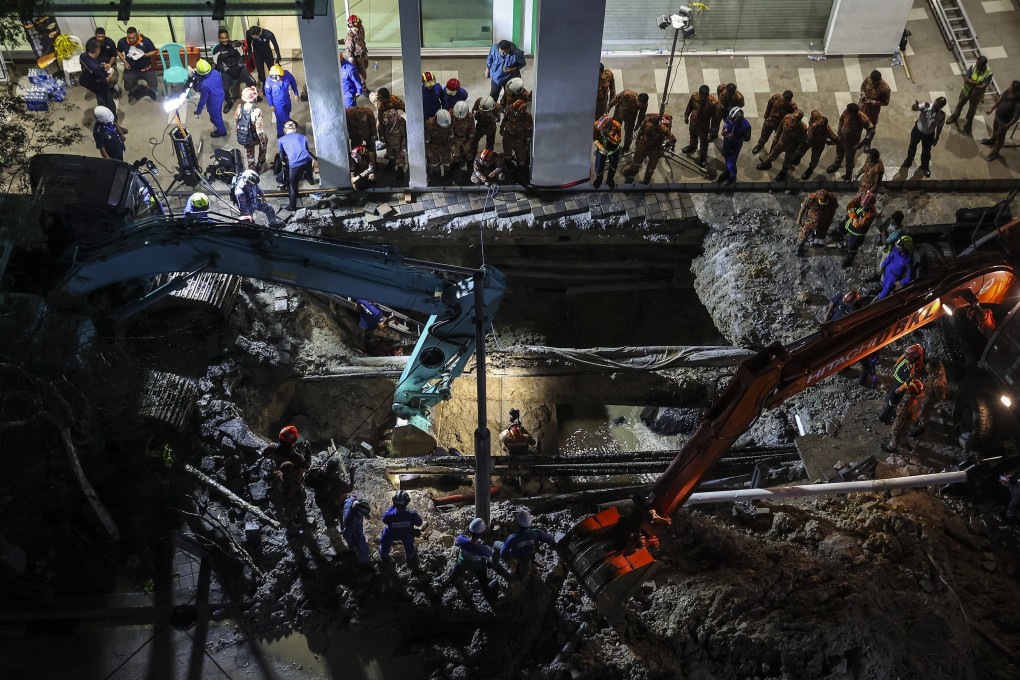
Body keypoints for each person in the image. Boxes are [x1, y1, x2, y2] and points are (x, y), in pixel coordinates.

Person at [438, 517, 498, 597]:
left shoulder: (461, 539)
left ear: (470, 530)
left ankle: (452, 576)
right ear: (482, 533)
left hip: (463, 562)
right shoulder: (483, 549)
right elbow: (490, 555)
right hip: (477, 567)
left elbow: (457, 542)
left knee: (457, 566)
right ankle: (486, 590)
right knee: (482, 576)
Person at [493, 510, 555, 583]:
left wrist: (510, 560)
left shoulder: (512, 538)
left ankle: (495, 564)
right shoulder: (536, 533)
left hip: (515, 556)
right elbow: (550, 539)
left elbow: (503, 553)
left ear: (517, 523)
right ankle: (531, 566)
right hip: (528, 555)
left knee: (496, 543)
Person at [80, 39, 124, 134]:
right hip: (98, 86)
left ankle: (102, 109)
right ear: (97, 51)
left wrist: (102, 65)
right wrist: (110, 75)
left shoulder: (83, 56)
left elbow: (93, 66)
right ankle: (114, 127)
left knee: (101, 101)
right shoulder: (96, 69)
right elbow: (104, 81)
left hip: (86, 80)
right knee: (110, 106)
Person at [622, 113, 676, 185]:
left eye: (651, 126)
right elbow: (641, 130)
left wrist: (666, 146)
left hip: (655, 149)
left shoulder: (662, 129)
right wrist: (638, 140)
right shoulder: (646, 121)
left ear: (656, 125)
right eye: (648, 125)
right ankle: (633, 170)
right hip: (643, 144)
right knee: (637, 159)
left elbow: (673, 139)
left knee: (651, 165)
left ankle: (647, 178)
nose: (649, 127)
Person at [878, 343, 925, 424]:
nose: (906, 357)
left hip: (901, 382)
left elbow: (908, 381)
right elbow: (903, 356)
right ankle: (889, 403)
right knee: (893, 394)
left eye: (908, 357)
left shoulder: (915, 368)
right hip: (899, 376)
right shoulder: (910, 355)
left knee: (894, 398)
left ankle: (886, 415)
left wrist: (900, 389)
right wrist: (896, 364)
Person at [827, 102, 875, 182]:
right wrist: (839, 134)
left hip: (852, 142)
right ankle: (836, 165)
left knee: (849, 159)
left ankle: (848, 174)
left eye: (850, 113)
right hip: (842, 138)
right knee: (839, 153)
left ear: (855, 113)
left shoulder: (863, 118)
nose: (848, 114)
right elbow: (841, 120)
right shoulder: (847, 111)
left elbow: (871, 131)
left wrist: (861, 143)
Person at [212, 29, 257, 112]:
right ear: (219, 38)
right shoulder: (217, 50)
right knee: (224, 89)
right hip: (227, 72)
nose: (225, 40)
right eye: (222, 38)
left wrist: (240, 64)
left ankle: (252, 96)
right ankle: (229, 102)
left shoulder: (234, 44)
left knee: (252, 82)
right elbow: (217, 64)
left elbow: (241, 56)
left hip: (238, 68)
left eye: (226, 37)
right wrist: (227, 70)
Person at [945, 55, 992, 134]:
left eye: (978, 64)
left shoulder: (988, 74)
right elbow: (966, 79)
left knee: (972, 110)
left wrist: (972, 82)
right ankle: (955, 116)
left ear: (983, 65)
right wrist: (977, 83)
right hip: (966, 91)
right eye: (977, 62)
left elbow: (983, 86)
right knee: (960, 104)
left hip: (976, 95)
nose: (976, 64)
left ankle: (969, 123)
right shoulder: (973, 67)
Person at [304, 456, 354, 529]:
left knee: (326, 514)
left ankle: (328, 523)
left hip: (320, 501)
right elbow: (350, 489)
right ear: (336, 469)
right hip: (331, 503)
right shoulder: (337, 482)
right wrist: (352, 474)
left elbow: (307, 480)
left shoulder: (319, 474)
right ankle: (339, 521)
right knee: (342, 506)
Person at [380, 490, 424, 569]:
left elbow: (384, 520)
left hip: (392, 534)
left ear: (394, 501)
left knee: (385, 534)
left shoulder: (389, 515)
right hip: (406, 535)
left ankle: (384, 554)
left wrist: (392, 507)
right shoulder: (412, 514)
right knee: (409, 543)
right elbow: (419, 523)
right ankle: (410, 558)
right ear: (407, 502)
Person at [757, 109, 805, 181]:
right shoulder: (787, 118)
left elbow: (802, 141)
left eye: (797, 118)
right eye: (794, 116)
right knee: (772, 154)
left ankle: (783, 172)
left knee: (787, 161)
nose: (794, 119)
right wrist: (776, 136)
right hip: (781, 142)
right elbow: (780, 127)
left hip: (791, 147)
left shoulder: (802, 128)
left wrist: (797, 151)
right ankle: (767, 164)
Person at [278, 120, 316, 212]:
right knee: (308, 170)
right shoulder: (302, 137)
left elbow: (282, 155)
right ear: (294, 129)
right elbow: (306, 149)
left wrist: (284, 162)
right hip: (307, 159)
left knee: (293, 186)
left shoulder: (281, 140)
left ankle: (292, 206)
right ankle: (310, 180)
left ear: (284, 130)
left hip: (295, 164)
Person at [904, 97, 946, 177]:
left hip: (929, 135)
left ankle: (925, 166)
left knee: (926, 152)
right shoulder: (926, 105)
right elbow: (916, 108)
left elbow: (940, 127)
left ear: (941, 107)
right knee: (912, 146)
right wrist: (915, 106)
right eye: (936, 103)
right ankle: (909, 160)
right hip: (918, 130)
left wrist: (937, 137)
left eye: (939, 105)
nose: (936, 106)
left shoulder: (941, 115)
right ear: (935, 101)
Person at [115, 27, 158, 103]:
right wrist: (125, 62)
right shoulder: (122, 41)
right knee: (127, 87)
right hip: (131, 69)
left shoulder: (146, 41)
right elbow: (118, 51)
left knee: (154, 84)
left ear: (137, 35)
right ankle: (137, 89)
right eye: (129, 38)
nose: (131, 40)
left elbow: (154, 51)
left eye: (133, 38)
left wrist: (144, 55)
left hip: (146, 68)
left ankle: (145, 90)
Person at [881, 378, 924, 453]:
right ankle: (904, 441)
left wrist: (895, 428)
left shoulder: (906, 405)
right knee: (905, 432)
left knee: (896, 435)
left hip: (903, 422)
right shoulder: (921, 396)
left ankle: (892, 447)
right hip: (911, 420)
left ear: (910, 391)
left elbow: (899, 422)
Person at [982, 80, 1020, 162]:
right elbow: (1000, 99)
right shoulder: (1008, 92)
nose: (1009, 87)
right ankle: (992, 140)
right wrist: (991, 109)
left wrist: (1007, 126)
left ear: (1015, 91)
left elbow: (1015, 118)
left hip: (1004, 123)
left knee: (1000, 137)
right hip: (997, 117)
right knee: (995, 129)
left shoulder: (1018, 103)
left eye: (1011, 87)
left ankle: (995, 152)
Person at [682, 85, 719, 169]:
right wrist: (686, 116)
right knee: (693, 136)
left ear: (707, 95)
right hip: (693, 123)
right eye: (701, 96)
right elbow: (690, 106)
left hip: (703, 126)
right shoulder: (695, 97)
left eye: (705, 96)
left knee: (704, 142)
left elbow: (715, 118)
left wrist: (712, 130)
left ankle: (702, 157)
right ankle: (692, 147)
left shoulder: (712, 103)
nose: (702, 98)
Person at [795, 188, 838, 256]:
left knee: (821, 231)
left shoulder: (832, 199)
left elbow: (833, 210)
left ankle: (816, 241)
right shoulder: (811, 197)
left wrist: (830, 219)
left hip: (824, 220)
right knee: (804, 233)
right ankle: (799, 249)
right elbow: (803, 208)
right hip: (811, 219)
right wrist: (799, 219)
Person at [910, 359, 948, 437]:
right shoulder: (938, 365)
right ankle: (918, 420)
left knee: (923, 412)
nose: (926, 369)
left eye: (929, 369)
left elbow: (940, 396)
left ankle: (922, 426)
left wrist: (930, 400)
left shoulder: (939, 383)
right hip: (926, 392)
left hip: (930, 398)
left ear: (934, 370)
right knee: (918, 407)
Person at [752, 90, 797, 155]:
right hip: (770, 121)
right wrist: (766, 116)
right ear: (782, 96)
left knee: (777, 139)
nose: (783, 102)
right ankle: (760, 145)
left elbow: (794, 117)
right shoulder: (776, 98)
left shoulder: (792, 107)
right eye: (783, 99)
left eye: (786, 101)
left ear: (789, 100)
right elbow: (769, 105)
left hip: (780, 125)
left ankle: (772, 152)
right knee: (764, 134)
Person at [268, 461, 309, 532]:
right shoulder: (289, 480)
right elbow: (292, 490)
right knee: (291, 507)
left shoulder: (277, 473)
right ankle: (294, 520)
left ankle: (287, 516)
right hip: (289, 497)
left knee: (287, 507)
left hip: (281, 496)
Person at [841, 191, 879, 267]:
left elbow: (857, 224)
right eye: (862, 205)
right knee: (841, 228)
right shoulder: (860, 198)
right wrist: (853, 215)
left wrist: (852, 214)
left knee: (852, 247)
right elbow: (849, 206)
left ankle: (848, 261)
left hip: (857, 233)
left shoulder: (871, 214)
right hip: (848, 224)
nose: (863, 207)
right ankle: (840, 239)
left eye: (865, 206)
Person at [798, 109, 838, 181]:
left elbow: (836, 140)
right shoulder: (815, 116)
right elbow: (813, 112)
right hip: (809, 139)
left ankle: (810, 170)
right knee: (801, 149)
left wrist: (828, 142)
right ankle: (798, 158)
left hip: (818, 145)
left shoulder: (828, 132)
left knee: (814, 159)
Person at [192, 58, 228, 138]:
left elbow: (203, 100)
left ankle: (222, 131)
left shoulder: (204, 85)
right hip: (221, 96)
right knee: (218, 112)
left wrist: (198, 111)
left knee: (216, 117)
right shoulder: (215, 72)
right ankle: (215, 119)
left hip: (213, 103)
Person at [717, 107, 751, 187]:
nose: (731, 121)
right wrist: (724, 129)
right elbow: (726, 124)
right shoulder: (730, 118)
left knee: (731, 163)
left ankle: (732, 176)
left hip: (735, 145)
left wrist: (735, 137)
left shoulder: (746, 125)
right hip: (727, 141)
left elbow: (747, 138)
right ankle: (728, 171)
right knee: (726, 156)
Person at [235, 87, 268, 171]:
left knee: (249, 152)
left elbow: (235, 122)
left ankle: (252, 169)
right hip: (254, 135)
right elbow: (259, 129)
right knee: (264, 139)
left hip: (244, 136)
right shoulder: (257, 111)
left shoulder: (239, 107)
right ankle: (261, 160)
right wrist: (262, 140)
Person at [264, 64, 299, 137]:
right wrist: (271, 105)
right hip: (277, 104)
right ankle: (280, 134)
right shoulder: (269, 81)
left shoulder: (287, 74)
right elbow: (268, 94)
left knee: (287, 111)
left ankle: (287, 119)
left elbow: (293, 82)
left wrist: (296, 93)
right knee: (279, 119)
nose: (278, 80)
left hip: (286, 100)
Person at [876, 235, 914, 300]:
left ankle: (874, 303)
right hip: (887, 271)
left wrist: (901, 283)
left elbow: (909, 277)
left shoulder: (908, 260)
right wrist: (882, 266)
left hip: (893, 278)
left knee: (883, 295)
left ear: (906, 247)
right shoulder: (896, 249)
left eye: (900, 246)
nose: (897, 246)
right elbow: (889, 258)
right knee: (882, 286)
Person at [245, 25, 282, 89]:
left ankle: (273, 83)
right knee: (260, 72)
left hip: (267, 54)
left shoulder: (268, 34)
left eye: (254, 37)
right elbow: (248, 43)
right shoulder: (249, 33)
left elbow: (275, 45)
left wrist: (278, 56)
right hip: (257, 54)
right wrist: (250, 53)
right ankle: (264, 83)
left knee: (271, 69)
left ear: (259, 34)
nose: (253, 38)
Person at [592, 114, 623, 189]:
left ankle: (610, 180)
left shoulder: (617, 126)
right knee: (599, 167)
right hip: (601, 150)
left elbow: (618, 141)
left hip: (613, 150)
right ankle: (598, 180)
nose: (601, 130)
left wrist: (608, 136)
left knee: (613, 166)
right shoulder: (596, 125)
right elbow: (595, 138)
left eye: (603, 129)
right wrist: (601, 147)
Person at [858, 70, 891, 139]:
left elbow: (885, 102)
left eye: (873, 81)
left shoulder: (885, 89)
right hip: (862, 105)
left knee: (871, 126)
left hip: (872, 110)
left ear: (879, 80)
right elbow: (863, 86)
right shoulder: (869, 79)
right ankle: (857, 138)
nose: (871, 83)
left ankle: (867, 141)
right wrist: (863, 94)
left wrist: (872, 102)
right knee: (858, 121)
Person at [500, 99, 533, 169]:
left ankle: (521, 170)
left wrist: (527, 144)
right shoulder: (509, 110)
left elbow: (529, 132)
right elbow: (505, 120)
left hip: (519, 138)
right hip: (508, 136)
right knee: (507, 155)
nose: (514, 112)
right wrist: (502, 129)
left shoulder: (527, 117)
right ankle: (508, 166)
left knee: (522, 160)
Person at [342, 494, 372, 565]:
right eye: (363, 514)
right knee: (363, 548)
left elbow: (351, 497)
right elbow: (346, 533)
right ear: (358, 514)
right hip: (355, 534)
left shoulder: (352, 501)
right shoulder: (350, 520)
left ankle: (355, 554)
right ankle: (364, 563)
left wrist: (366, 514)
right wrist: (351, 545)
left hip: (355, 528)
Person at [346, 99, 379, 163]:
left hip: (365, 133)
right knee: (356, 149)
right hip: (356, 134)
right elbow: (348, 127)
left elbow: (372, 124)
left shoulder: (368, 112)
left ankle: (373, 161)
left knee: (371, 147)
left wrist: (374, 135)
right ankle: (358, 163)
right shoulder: (349, 115)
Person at [425, 109, 454, 178]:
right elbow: (427, 139)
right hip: (433, 146)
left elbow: (451, 135)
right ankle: (437, 173)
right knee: (434, 162)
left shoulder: (448, 121)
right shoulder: (429, 124)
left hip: (445, 145)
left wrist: (451, 146)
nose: (445, 127)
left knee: (447, 162)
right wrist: (428, 149)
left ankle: (447, 174)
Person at [380, 109, 408, 177]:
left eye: (390, 120)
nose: (388, 122)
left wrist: (403, 147)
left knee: (399, 158)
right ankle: (391, 163)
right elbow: (382, 128)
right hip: (389, 143)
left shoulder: (400, 122)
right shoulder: (385, 119)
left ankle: (400, 170)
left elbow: (404, 136)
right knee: (390, 155)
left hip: (398, 144)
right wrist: (381, 136)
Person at [342, 14, 369, 85]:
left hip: (363, 55)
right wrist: (352, 63)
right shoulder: (350, 36)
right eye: (352, 27)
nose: (355, 28)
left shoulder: (361, 29)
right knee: (362, 77)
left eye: (356, 26)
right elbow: (349, 52)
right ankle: (363, 89)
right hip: (357, 59)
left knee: (365, 68)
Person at [93, 27, 120, 97]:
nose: (100, 38)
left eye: (102, 36)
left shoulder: (110, 43)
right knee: (95, 78)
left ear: (105, 36)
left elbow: (114, 56)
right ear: (95, 35)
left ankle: (110, 88)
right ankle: (102, 89)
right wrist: (100, 65)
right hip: (96, 64)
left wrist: (109, 65)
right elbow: (90, 56)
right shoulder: (91, 43)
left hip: (110, 64)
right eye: (98, 36)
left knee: (113, 79)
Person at [450, 100, 476, 169]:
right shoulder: (450, 114)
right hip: (455, 138)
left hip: (465, 138)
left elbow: (472, 129)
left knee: (468, 151)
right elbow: (448, 128)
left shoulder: (470, 117)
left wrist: (469, 141)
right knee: (455, 154)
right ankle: (456, 165)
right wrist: (452, 142)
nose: (459, 119)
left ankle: (470, 164)